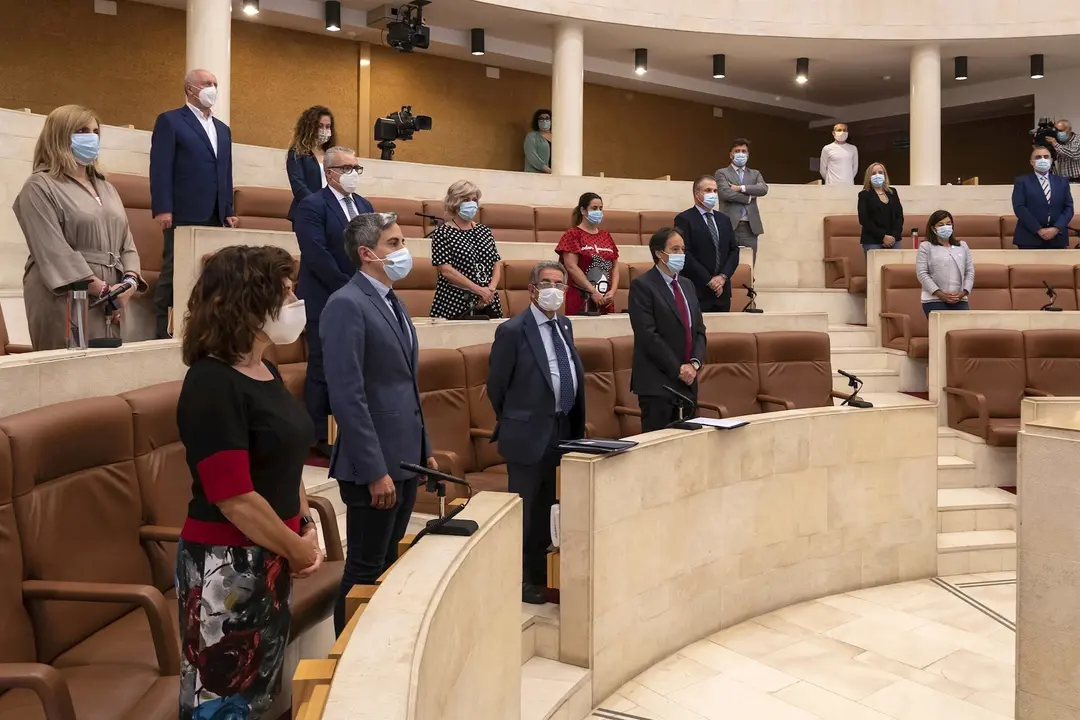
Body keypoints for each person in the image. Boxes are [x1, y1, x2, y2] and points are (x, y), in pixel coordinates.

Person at [175, 244, 323, 719]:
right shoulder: (210, 382)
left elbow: (287, 461)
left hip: (271, 551)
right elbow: (234, 496)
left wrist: (302, 525)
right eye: (285, 292)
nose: (295, 301)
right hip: (225, 564)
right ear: (248, 301)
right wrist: (295, 547)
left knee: (260, 693)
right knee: (222, 700)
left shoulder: (267, 370)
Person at [321, 212, 436, 635]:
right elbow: (348, 396)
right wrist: (374, 470)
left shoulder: (392, 299)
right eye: (394, 243)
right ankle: (343, 659)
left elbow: (402, 384)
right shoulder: (346, 304)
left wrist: (422, 451)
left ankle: (373, 650)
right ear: (368, 253)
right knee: (364, 570)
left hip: (403, 459)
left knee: (389, 563)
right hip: (373, 467)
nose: (403, 251)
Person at [487, 260, 585, 604]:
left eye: (560, 284)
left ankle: (545, 574)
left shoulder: (566, 325)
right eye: (547, 283)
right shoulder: (513, 331)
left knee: (552, 509)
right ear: (532, 289)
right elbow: (497, 387)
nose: (554, 290)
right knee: (527, 513)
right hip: (528, 435)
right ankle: (521, 579)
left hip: (564, 429)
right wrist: (519, 419)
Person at [13, 104, 146, 350]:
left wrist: (129, 284)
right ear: (59, 135)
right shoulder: (39, 186)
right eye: (82, 130)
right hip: (64, 295)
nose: (92, 137)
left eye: (96, 131)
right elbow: (52, 251)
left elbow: (127, 242)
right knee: (68, 375)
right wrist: (104, 289)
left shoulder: (107, 187)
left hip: (112, 299)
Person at [293, 146, 373, 458]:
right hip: (325, 297)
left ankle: (352, 428)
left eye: (357, 167)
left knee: (356, 366)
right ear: (330, 173)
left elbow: (372, 249)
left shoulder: (364, 205)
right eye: (348, 167)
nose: (354, 173)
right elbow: (316, 254)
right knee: (324, 366)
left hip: (360, 298)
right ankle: (321, 435)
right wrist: (351, 287)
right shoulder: (312, 205)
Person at [150, 68, 237, 339]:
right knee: (173, 272)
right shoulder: (171, 121)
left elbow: (226, 171)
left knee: (212, 276)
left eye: (215, 83)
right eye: (207, 83)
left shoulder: (223, 129)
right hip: (183, 212)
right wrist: (163, 208)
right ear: (190, 89)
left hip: (215, 213)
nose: (213, 88)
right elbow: (160, 167)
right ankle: (162, 331)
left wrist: (229, 210)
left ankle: (203, 331)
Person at [627, 227, 707, 433]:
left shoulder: (687, 285)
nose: (681, 254)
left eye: (683, 249)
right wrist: (678, 368)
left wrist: (694, 364)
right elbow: (647, 335)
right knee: (658, 450)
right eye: (675, 249)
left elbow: (699, 330)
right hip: (657, 384)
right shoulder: (642, 286)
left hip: (688, 382)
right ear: (659, 253)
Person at [429, 180, 503, 319]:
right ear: (455, 202)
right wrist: (479, 290)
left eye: (474, 199)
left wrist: (490, 290)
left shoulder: (484, 230)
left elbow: (496, 263)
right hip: (456, 302)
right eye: (466, 199)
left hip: (488, 301)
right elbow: (446, 270)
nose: (472, 203)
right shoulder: (443, 233)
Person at [674, 176, 739, 312]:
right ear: (697, 194)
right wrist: (709, 280)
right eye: (708, 190)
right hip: (698, 289)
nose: (713, 194)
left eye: (715, 191)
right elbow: (686, 253)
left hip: (722, 292)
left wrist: (722, 277)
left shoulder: (724, 219)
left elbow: (734, 250)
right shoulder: (684, 219)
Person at [556, 192, 620, 315]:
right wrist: (592, 291)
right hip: (582, 296)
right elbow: (571, 267)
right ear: (583, 210)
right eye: (594, 208)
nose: (599, 211)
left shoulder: (606, 235)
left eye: (601, 208)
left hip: (605, 297)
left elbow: (615, 266)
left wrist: (613, 291)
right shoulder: (573, 234)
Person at [715, 138, 768, 264]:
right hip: (729, 225)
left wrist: (740, 188)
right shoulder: (722, 173)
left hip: (750, 228)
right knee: (726, 263)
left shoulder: (755, 174)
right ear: (731, 154)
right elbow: (725, 193)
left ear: (748, 155)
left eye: (744, 151)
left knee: (749, 264)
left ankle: (748, 283)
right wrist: (749, 197)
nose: (740, 154)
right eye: (737, 151)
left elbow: (763, 189)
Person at [1012, 146, 1074, 249]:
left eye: (1046, 156)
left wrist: (1056, 229)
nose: (1042, 160)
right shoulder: (1022, 181)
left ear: (1051, 161)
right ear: (1032, 162)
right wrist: (1038, 230)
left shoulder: (1062, 181)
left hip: (1057, 238)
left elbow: (1068, 207)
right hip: (1029, 238)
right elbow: (1019, 207)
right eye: (1038, 157)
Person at [916, 210, 974, 316]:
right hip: (933, 300)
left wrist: (963, 293)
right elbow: (922, 273)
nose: (946, 227)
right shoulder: (926, 246)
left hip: (960, 300)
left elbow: (969, 271)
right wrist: (941, 295)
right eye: (941, 225)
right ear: (933, 228)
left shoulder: (962, 246)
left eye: (948, 224)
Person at [285, 105, 336, 222]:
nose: (325, 130)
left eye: (328, 127)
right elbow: (299, 187)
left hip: (331, 213)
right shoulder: (297, 153)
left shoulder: (332, 154)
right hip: (307, 212)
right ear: (309, 127)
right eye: (320, 126)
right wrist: (319, 205)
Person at [857, 162, 905, 253]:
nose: (877, 175)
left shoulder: (892, 192)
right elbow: (864, 220)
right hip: (873, 241)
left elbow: (899, 216)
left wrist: (893, 237)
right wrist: (883, 237)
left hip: (894, 241)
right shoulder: (864, 195)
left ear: (885, 175)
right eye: (874, 173)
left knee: (895, 267)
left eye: (880, 172)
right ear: (869, 177)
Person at [1050, 119, 1080, 184]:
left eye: (1060, 131)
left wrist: (1056, 144)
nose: (1058, 133)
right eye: (1057, 131)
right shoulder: (1058, 142)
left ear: (1069, 129)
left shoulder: (1078, 139)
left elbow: (1075, 154)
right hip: (1062, 180)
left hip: (1077, 180)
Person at [524, 109, 552, 174]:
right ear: (537, 121)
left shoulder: (558, 138)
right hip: (536, 175)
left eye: (547, 119)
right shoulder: (532, 136)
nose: (544, 121)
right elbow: (532, 156)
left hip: (555, 176)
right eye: (541, 119)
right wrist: (547, 170)